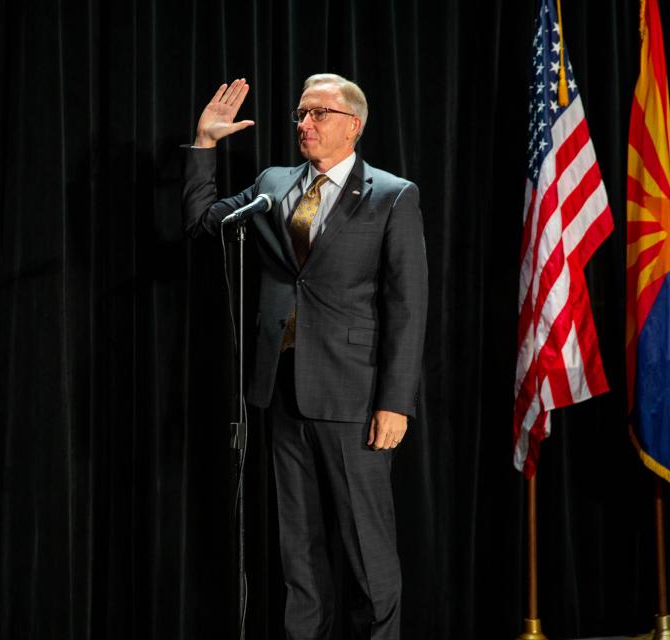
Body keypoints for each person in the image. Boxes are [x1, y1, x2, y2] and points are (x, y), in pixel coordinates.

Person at [182, 74, 427, 639]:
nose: (304, 124)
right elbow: (202, 223)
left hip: (354, 397)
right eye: (300, 113)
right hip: (283, 388)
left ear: (352, 126)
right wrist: (204, 143)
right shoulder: (273, 184)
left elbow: (407, 307)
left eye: (318, 113)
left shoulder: (392, 194)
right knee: (299, 550)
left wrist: (395, 402)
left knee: (367, 550)